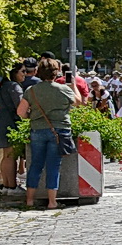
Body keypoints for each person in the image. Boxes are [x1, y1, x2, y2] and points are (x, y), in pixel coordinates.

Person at [18, 58, 76, 211]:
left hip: (37, 129)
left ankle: (29, 200)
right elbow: (80, 102)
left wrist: (32, 118)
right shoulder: (64, 89)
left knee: (35, 165)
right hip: (60, 131)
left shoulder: (31, 90)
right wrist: (73, 84)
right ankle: (52, 202)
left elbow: (20, 112)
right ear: (57, 73)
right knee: (53, 166)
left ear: (38, 72)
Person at [0, 61, 27, 189]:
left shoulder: (4, 85)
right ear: (14, 72)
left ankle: (7, 185)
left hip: (2, 120)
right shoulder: (14, 86)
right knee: (11, 155)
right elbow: (20, 106)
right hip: (11, 121)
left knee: (6, 154)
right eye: (22, 71)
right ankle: (12, 186)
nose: (25, 74)